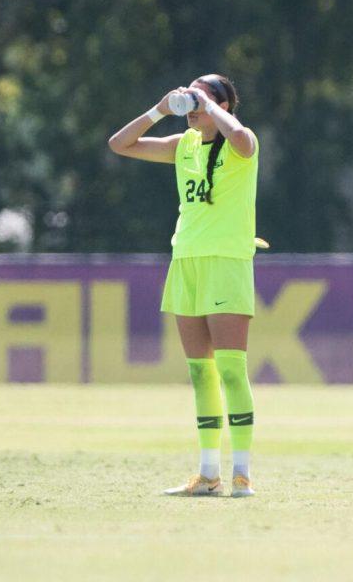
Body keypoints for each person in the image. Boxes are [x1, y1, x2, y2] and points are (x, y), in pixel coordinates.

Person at [108, 75, 260, 498]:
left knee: (231, 369)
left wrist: (210, 106)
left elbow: (244, 140)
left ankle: (242, 473)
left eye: (203, 96)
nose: (192, 103)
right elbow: (120, 144)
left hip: (226, 262)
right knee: (200, 373)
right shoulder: (183, 145)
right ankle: (208, 473)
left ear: (224, 105)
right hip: (186, 261)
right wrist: (159, 110)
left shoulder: (239, 142)